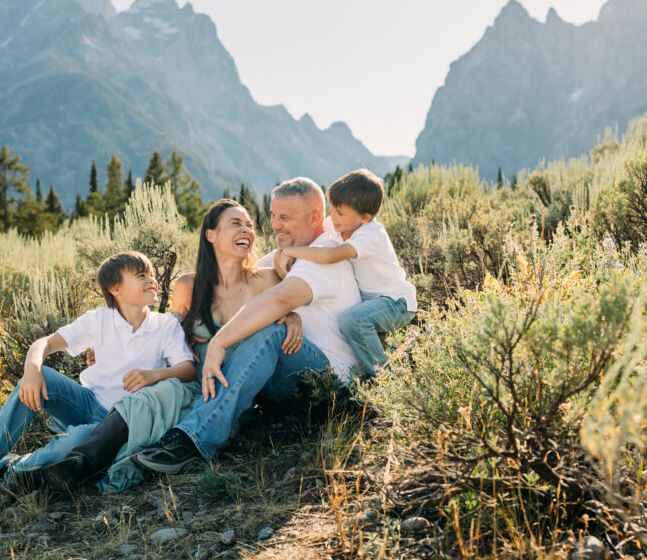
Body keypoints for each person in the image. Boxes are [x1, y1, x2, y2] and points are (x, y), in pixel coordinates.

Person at [34, 199, 304, 486]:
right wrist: (110, 349)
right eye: (236, 223)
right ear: (210, 234)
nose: (247, 230)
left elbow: (280, 318)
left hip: (232, 390)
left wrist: (294, 316)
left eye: (249, 225)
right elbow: (162, 332)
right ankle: (66, 469)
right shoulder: (189, 286)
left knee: (155, 407)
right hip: (191, 386)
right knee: (145, 404)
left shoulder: (267, 280)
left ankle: (177, 444)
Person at [0, 251, 195, 508]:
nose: (152, 280)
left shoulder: (165, 325)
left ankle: (11, 469)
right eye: (141, 275)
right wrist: (32, 370)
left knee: (72, 443)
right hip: (87, 403)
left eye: (151, 274)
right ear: (116, 289)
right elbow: (44, 343)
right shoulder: (99, 319)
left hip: (119, 423)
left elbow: (188, 369)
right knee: (42, 377)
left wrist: (155, 375)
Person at [133, 177, 362, 473]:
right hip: (286, 384)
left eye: (286, 218)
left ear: (316, 218)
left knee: (268, 330)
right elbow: (253, 270)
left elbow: (277, 302)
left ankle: (193, 439)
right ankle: (184, 423)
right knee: (245, 334)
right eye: (272, 217)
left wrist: (219, 342)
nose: (275, 225)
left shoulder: (324, 257)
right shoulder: (291, 254)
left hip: (330, 384)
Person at [274, 169, 416, 375]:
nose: (332, 217)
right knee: (360, 325)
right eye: (332, 209)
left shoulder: (370, 235)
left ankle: (386, 380)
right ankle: (390, 365)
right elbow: (314, 238)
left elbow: (330, 255)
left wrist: (289, 251)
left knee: (353, 321)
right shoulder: (340, 223)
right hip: (373, 302)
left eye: (340, 213)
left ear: (364, 217)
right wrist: (280, 252)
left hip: (396, 302)